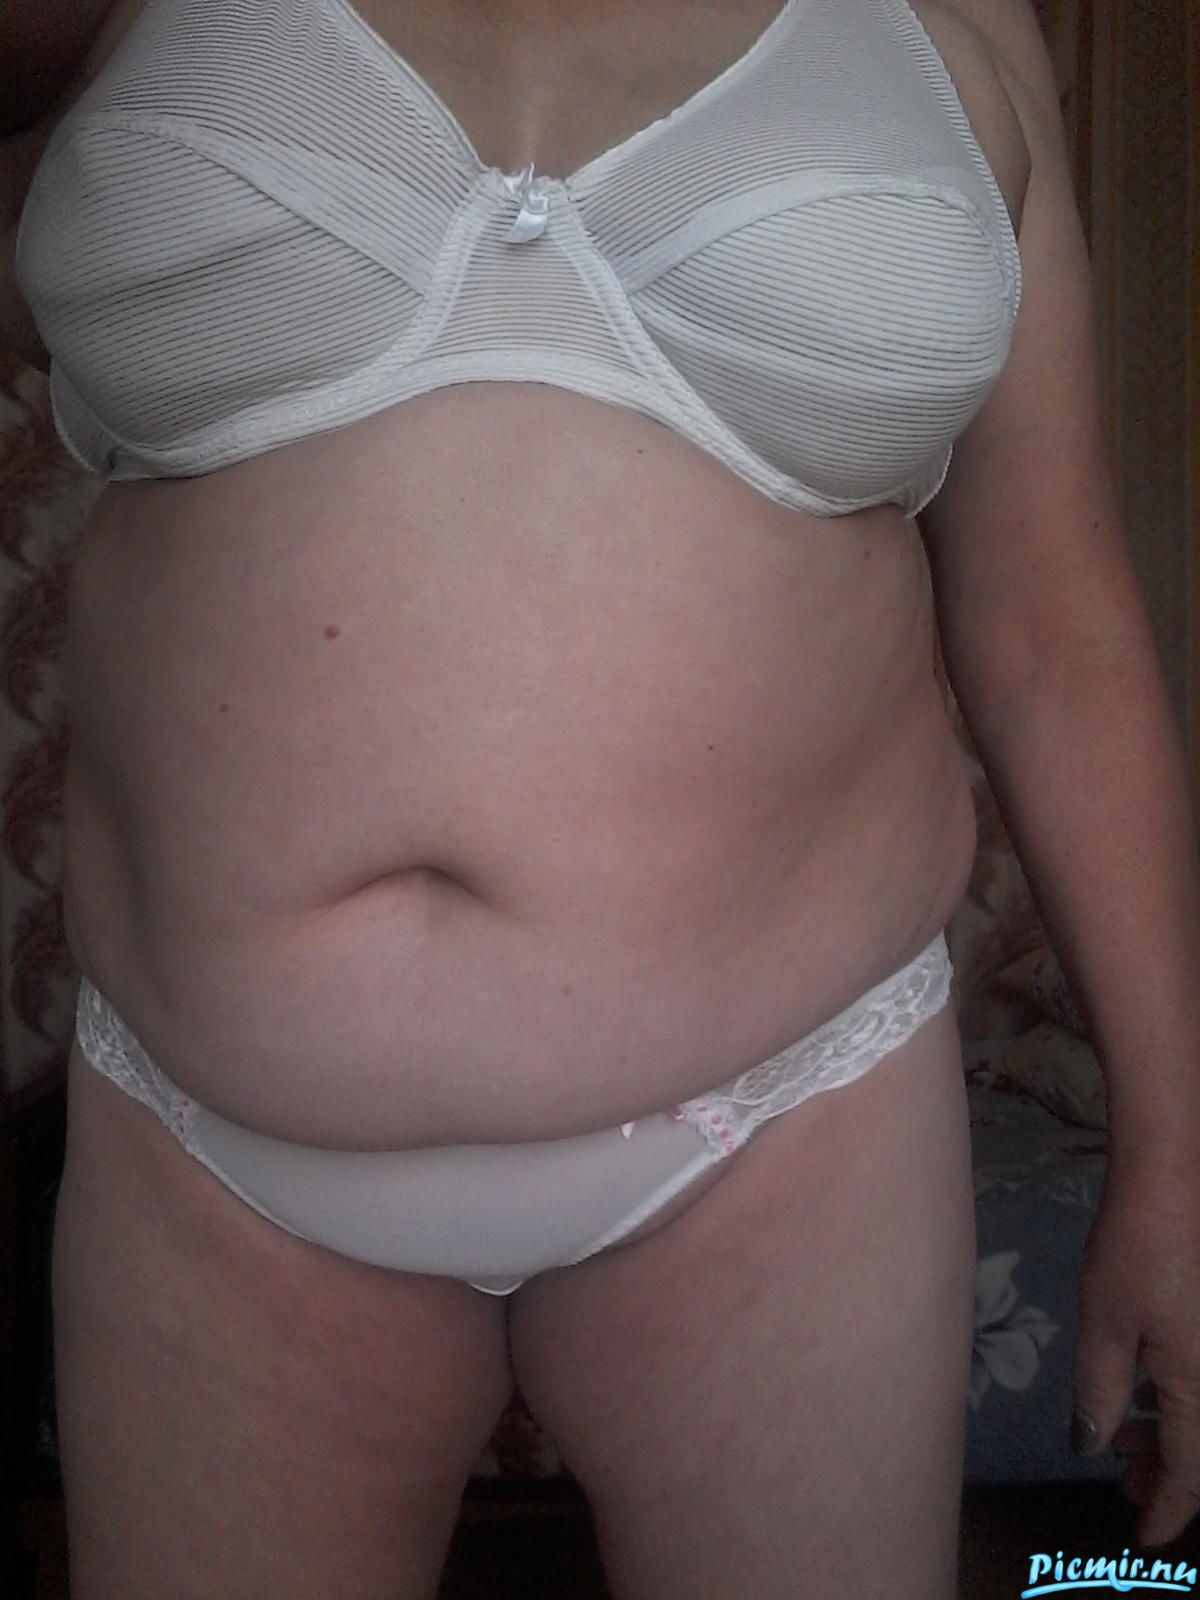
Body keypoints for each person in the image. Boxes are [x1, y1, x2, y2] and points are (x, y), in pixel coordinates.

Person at [3, 0, 1199, 1595]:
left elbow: (1052, 623)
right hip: (202, 1149)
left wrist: (1179, 1145)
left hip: (791, 1127)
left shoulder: (955, 26)